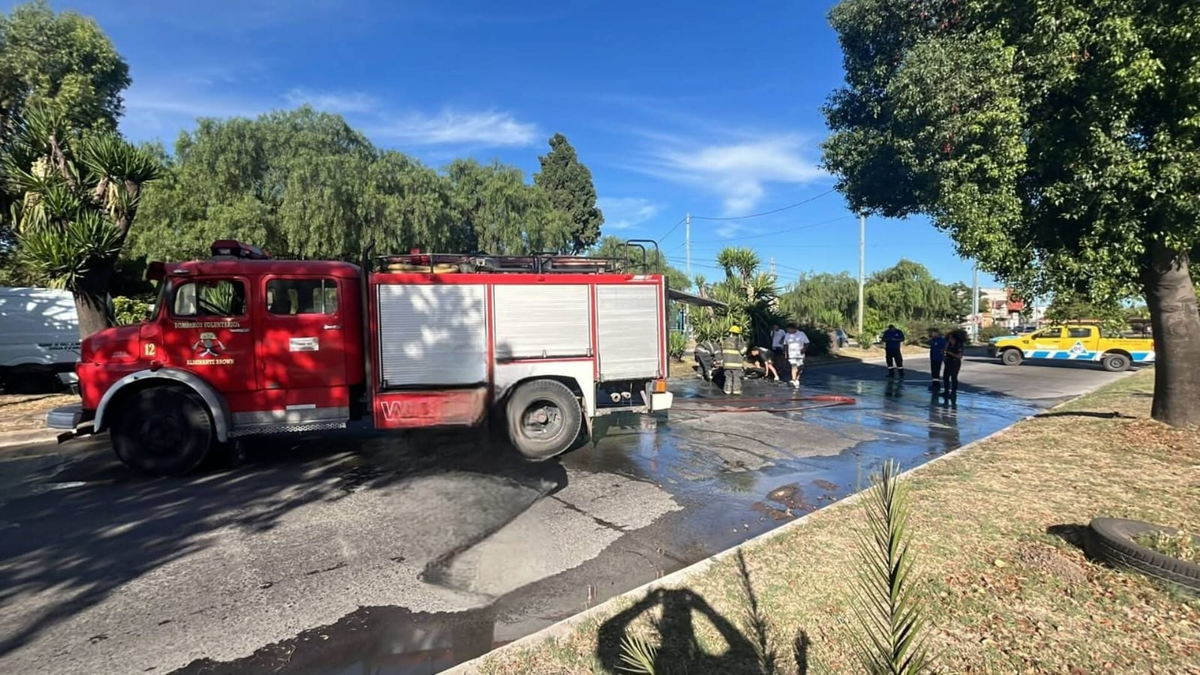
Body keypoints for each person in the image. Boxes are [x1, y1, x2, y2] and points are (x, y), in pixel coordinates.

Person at [720, 326, 746, 395]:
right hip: (736, 364)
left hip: (726, 364)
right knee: (736, 377)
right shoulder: (738, 341)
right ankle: (736, 391)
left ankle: (727, 390)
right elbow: (743, 351)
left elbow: (722, 352)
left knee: (728, 377)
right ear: (738, 334)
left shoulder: (725, 341)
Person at [783, 323, 810, 389]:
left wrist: (804, 349)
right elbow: (785, 344)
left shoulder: (801, 334)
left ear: (793, 329)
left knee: (800, 367)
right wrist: (786, 353)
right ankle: (794, 379)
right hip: (791, 354)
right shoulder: (787, 335)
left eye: (789, 329)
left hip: (800, 354)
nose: (788, 331)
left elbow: (807, 343)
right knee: (793, 366)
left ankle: (797, 378)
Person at [942, 329, 966, 401]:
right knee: (945, 377)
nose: (949, 339)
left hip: (955, 362)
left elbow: (959, 356)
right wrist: (945, 353)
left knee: (953, 377)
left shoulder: (958, 345)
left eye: (950, 338)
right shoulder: (949, 344)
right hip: (948, 362)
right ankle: (946, 391)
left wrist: (949, 353)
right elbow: (944, 351)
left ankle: (953, 393)